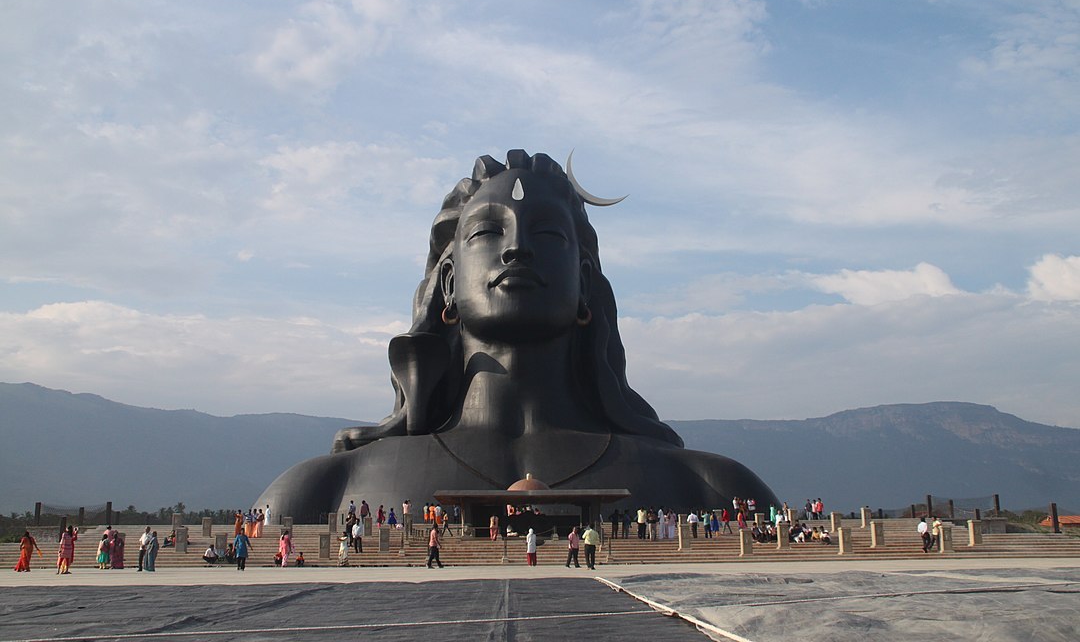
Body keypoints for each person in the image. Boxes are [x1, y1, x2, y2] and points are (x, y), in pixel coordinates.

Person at [256, 152, 779, 519]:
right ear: (447, 282)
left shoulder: (709, 486)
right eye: (488, 230)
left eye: (546, 232)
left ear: (585, 282)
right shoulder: (320, 488)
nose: (516, 248)